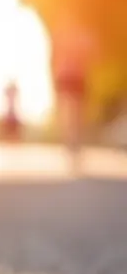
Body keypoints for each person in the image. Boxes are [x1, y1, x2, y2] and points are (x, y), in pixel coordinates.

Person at [51, 14, 95, 168]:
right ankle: (70, 142)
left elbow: (90, 55)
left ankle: (75, 142)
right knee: (69, 111)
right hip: (66, 78)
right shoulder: (61, 36)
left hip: (77, 77)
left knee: (77, 112)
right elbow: (54, 57)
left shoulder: (79, 36)